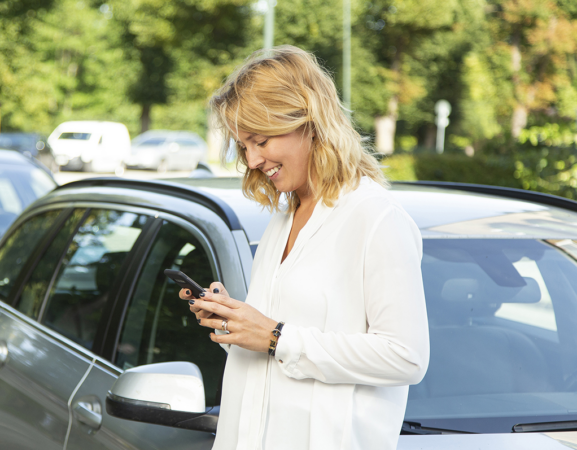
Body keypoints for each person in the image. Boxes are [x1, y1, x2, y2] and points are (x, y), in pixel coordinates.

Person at [180, 45, 430, 450]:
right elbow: (274, 351)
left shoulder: (376, 218)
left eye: (260, 140)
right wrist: (236, 321)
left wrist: (277, 336)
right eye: (244, 146)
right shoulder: (284, 218)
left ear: (308, 121)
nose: (253, 159)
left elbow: (407, 357)